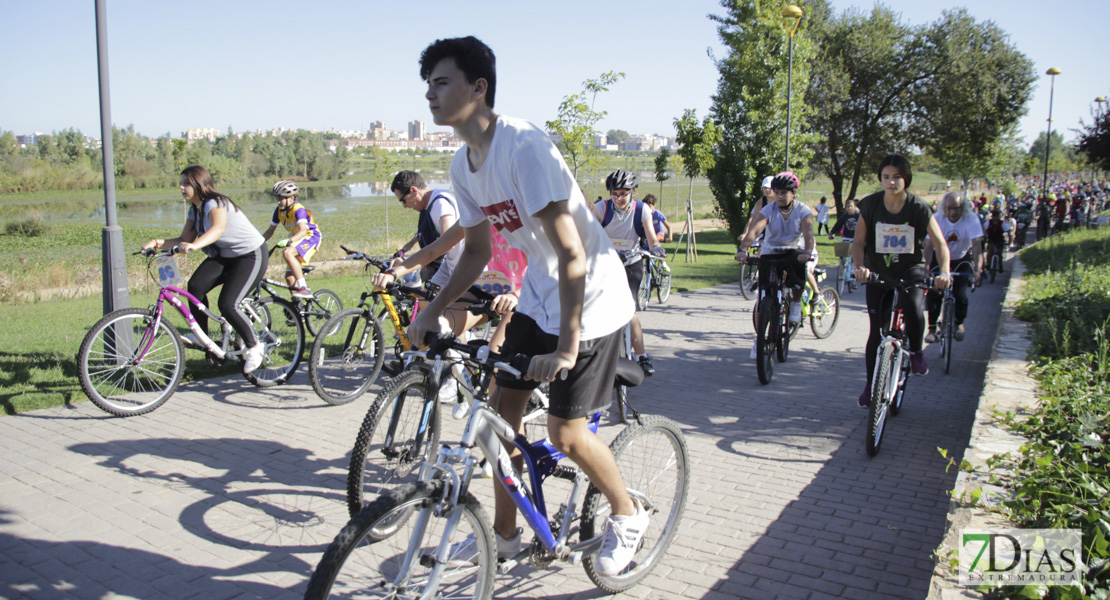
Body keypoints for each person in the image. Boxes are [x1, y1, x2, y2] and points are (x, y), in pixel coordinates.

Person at [405, 35, 647, 576]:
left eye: (441, 83)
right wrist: (433, 309)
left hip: (593, 300)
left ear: (478, 87)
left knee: (565, 433)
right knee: (496, 424)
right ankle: (506, 538)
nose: (430, 95)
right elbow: (477, 251)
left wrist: (566, 348)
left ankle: (627, 515)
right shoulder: (463, 165)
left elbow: (572, 252)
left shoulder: (524, 147)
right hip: (539, 299)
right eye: (428, 86)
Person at [140, 165, 268, 373]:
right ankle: (203, 337)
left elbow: (218, 229)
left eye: (185, 184)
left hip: (250, 255)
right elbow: (183, 239)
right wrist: (155, 242)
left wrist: (195, 245)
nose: (181, 188)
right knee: (195, 286)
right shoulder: (195, 209)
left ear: (198, 184)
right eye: (180, 184)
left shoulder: (215, 203)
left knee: (228, 303)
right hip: (226, 256)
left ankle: (255, 346)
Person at [851, 154, 950, 407]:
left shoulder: (918, 207)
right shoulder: (871, 204)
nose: (891, 182)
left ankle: (916, 353)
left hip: (911, 269)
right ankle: (870, 385)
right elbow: (859, 241)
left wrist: (944, 272)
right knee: (877, 331)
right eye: (886, 177)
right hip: (879, 271)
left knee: (914, 305)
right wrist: (859, 267)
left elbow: (939, 243)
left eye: (896, 177)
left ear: (906, 179)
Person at [592, 169, 666, 376]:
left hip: (631, 263)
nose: (618, 198)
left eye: (623, 193)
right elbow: (587, 230)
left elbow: (651, 238)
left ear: (632, 191)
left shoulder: (642, 210)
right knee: (597, 306)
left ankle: (641, 356)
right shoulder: (601, 208)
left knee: (628, 310)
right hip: (605, 263)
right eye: (614, 193)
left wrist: (656, 248)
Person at [736, 171, 817, 355]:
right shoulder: (768, 210)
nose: (780, 196)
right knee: (763, 293)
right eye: (777, 192)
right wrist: (743, 250)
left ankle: (795, 304)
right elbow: (754, 231)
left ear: (793, 193)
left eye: (784, 193)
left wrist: (807, 252)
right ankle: (760, 336)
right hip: (771, 250)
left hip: (793, 250)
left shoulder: (803, 211)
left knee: (798, 269)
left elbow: (808, 234)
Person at [924, 192, 982, 344]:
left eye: (956, 208)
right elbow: (928, 246)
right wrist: (926, 267)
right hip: (939, 258)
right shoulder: (937, 218)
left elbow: (976, 247)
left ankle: (958, 323)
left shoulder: (971, 219)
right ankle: (931, 329)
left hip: (961, 258)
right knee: (934, 294)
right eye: (949, 208)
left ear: (963, 208)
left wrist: (978, 270)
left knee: (960, 294)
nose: (953, 212)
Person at [392, 170, 460, 285]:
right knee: (426, 300)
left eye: (403, 200)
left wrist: (416, 260)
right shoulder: (432, 203)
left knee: (436, 300)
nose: (404, 206)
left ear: (414, 190)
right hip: (451, 265)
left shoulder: (440, 203)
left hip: (463, 269)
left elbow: (448, 242)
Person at [260, 180, 322, 299]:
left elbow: (303, 230)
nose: (278, 201)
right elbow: (269, 231)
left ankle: (304, 288)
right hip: (297, 239)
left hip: (310, 237)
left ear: (291, 198)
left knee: (287, 252)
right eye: (277, 198)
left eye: (281, 198)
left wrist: (289, 240)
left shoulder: (299, 210)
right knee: (289, 277)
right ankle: (297, 308)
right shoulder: (278, 211)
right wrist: (257, 243)